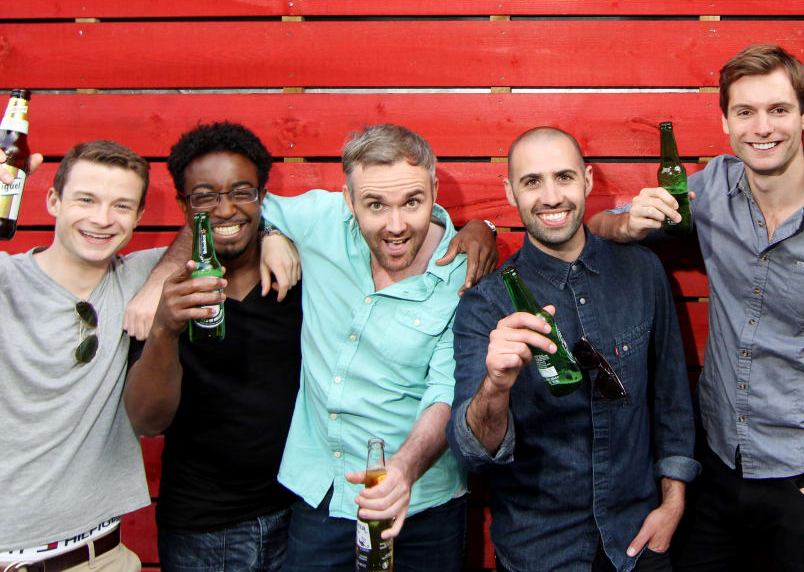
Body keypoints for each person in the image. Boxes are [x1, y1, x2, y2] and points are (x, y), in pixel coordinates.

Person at [589, 46, 804, 571]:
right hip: (716, 468)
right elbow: (602, 227)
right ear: (725, 122)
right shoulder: (711, 187)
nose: (763, 128)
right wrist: (626, 225)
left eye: (779, 110)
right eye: (745, 112)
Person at [449, 127, 699, 572]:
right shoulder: (486, 303)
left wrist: (673, 504)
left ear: (586, 181)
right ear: (510, 192)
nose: (550, 197)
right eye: (532, 182)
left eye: (563, 177)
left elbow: (672, 401)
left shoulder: (642, 270)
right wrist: (496, 385)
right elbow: (472, 452)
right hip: (540, 550)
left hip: (639, 543)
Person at [259, 124, 497, 572]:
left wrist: (403, 472)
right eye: (374, 205)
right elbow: (239, 206)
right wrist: (269, 232)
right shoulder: (321, 220)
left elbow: (446, 391)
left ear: (434, 189)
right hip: (323, 495)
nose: (396, 225)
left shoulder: (464, 273)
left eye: (412, 201)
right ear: (348, 201)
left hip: (424, 504)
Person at [124, 122, 303, 572]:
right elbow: (148, 420)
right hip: (204, 530)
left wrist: (479, 226)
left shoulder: (297, 272)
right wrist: (165, 329)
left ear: (262, 195)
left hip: (300, 517)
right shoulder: (167, 293)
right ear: (185, 205)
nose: (226, 209)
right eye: (205, 196)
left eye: (241, 191)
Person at [0, 140, 156, 572]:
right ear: (52, 200)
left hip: (101, 558)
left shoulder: (140, 274)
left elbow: (215, 231)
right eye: (86, 200)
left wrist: (274, 237)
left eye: (121, 206)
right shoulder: (6, 279)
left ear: (139, 217)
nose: (102, 219)